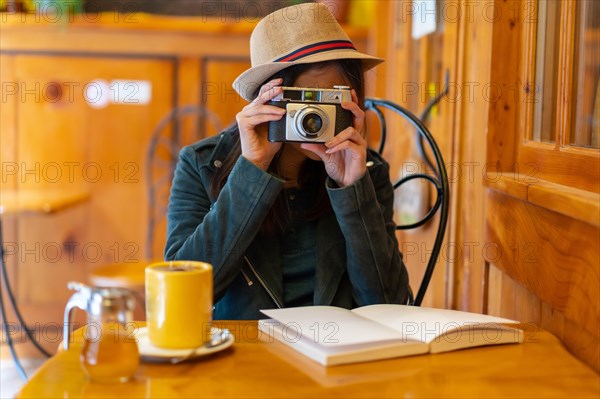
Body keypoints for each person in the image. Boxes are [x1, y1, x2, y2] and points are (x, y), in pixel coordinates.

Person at [165, 2, 410, 319]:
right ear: (268, 99)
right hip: (247, 354)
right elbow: (181, 294)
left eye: (331, 99)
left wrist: (352, 189)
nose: (315, 118)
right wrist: (252, 172)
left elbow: (389, 304)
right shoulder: (200, 165)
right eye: (305, 99)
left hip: (336, 353)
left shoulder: (366, 172)